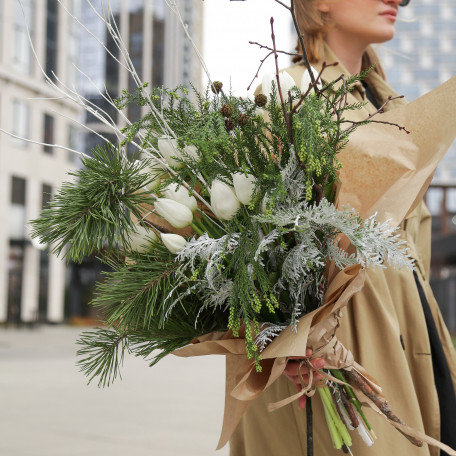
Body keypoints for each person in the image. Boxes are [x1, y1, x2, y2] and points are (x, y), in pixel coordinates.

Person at [229, 1, 456, 455]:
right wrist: (285, 341)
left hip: (407, 321)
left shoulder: (386, 100)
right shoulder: (287, 94)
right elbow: (244, 242)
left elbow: (414, 235)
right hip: (327, 346)